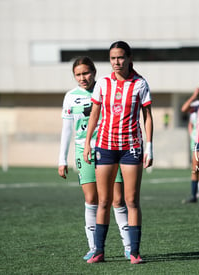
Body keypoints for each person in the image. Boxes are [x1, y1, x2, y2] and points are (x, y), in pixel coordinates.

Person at [83, 41, 153, 264]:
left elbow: (148, 117)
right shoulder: (102, 83)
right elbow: (94, 114)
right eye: (113, 58)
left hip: (131, 148)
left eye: (120, 57)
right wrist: (87, 143)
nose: (116, 62)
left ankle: (134, 252)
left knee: (131, 200)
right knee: (104, 201)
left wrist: (149, 148)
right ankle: (99, 251)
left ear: (129, 58)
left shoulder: (140, 84)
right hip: (105, 146)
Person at [58, 56, 131, 261]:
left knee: (117, 199)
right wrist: (61, 160)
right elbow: (67, 129)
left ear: (94, 72)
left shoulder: (107, 88)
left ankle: (128, 246)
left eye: (86, 73)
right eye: (78, 74)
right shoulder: (70, 97)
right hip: (85, 153)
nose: (83, 78)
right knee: (92, 199)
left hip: (110, 149)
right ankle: (94, 247)